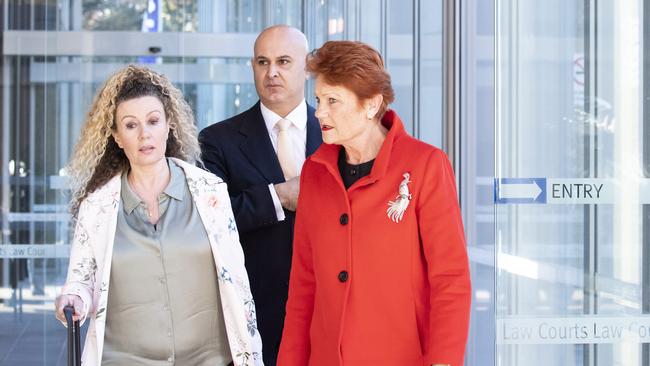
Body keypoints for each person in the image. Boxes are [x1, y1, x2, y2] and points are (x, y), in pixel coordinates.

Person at [277, 41, 472, 366]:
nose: (320, 112)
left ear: (371, 105)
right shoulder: (314, 172)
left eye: (333, 101)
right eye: (318, 100)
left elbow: (450, 278)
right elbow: (303, 285)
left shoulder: (425, 165)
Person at [55, 65, 262, 366]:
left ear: (169, 125)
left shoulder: (210, 192)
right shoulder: (97, 207)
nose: (144, 134)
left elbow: (237, 281)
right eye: (130, 125)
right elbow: (80, 281)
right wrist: (73, 299)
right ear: (115, 136)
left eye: (153, 121)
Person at [199, 25, 322, 366]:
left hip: (327, 312)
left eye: (284, 61)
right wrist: (278, 196)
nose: (272, 73)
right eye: (262, 62)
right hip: (251, 315)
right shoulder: (216, 140)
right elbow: (211, 219)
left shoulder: (338, 136)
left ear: (307, 67)